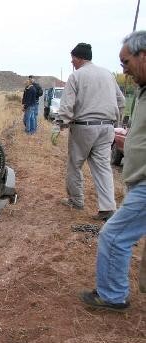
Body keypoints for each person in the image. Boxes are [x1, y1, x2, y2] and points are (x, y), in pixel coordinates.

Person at [79, 30, 146, 311]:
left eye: (126, 62)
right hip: (136, 177)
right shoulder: (141, 90)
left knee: (114, 235)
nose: (124, 70)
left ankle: (112, 296)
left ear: (143, 56)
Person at [57, 42, 126, 221]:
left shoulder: (76, 76)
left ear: (79, 58)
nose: (72, 62)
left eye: (73, 59)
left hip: (83, 127)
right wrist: (114, 122)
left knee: (75, 165)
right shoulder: (108, 75)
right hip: (107, 128)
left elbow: (66, 106)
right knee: (103, 167)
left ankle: (76, 201)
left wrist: (60, 124)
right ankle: (108, 208)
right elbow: (122, 101)